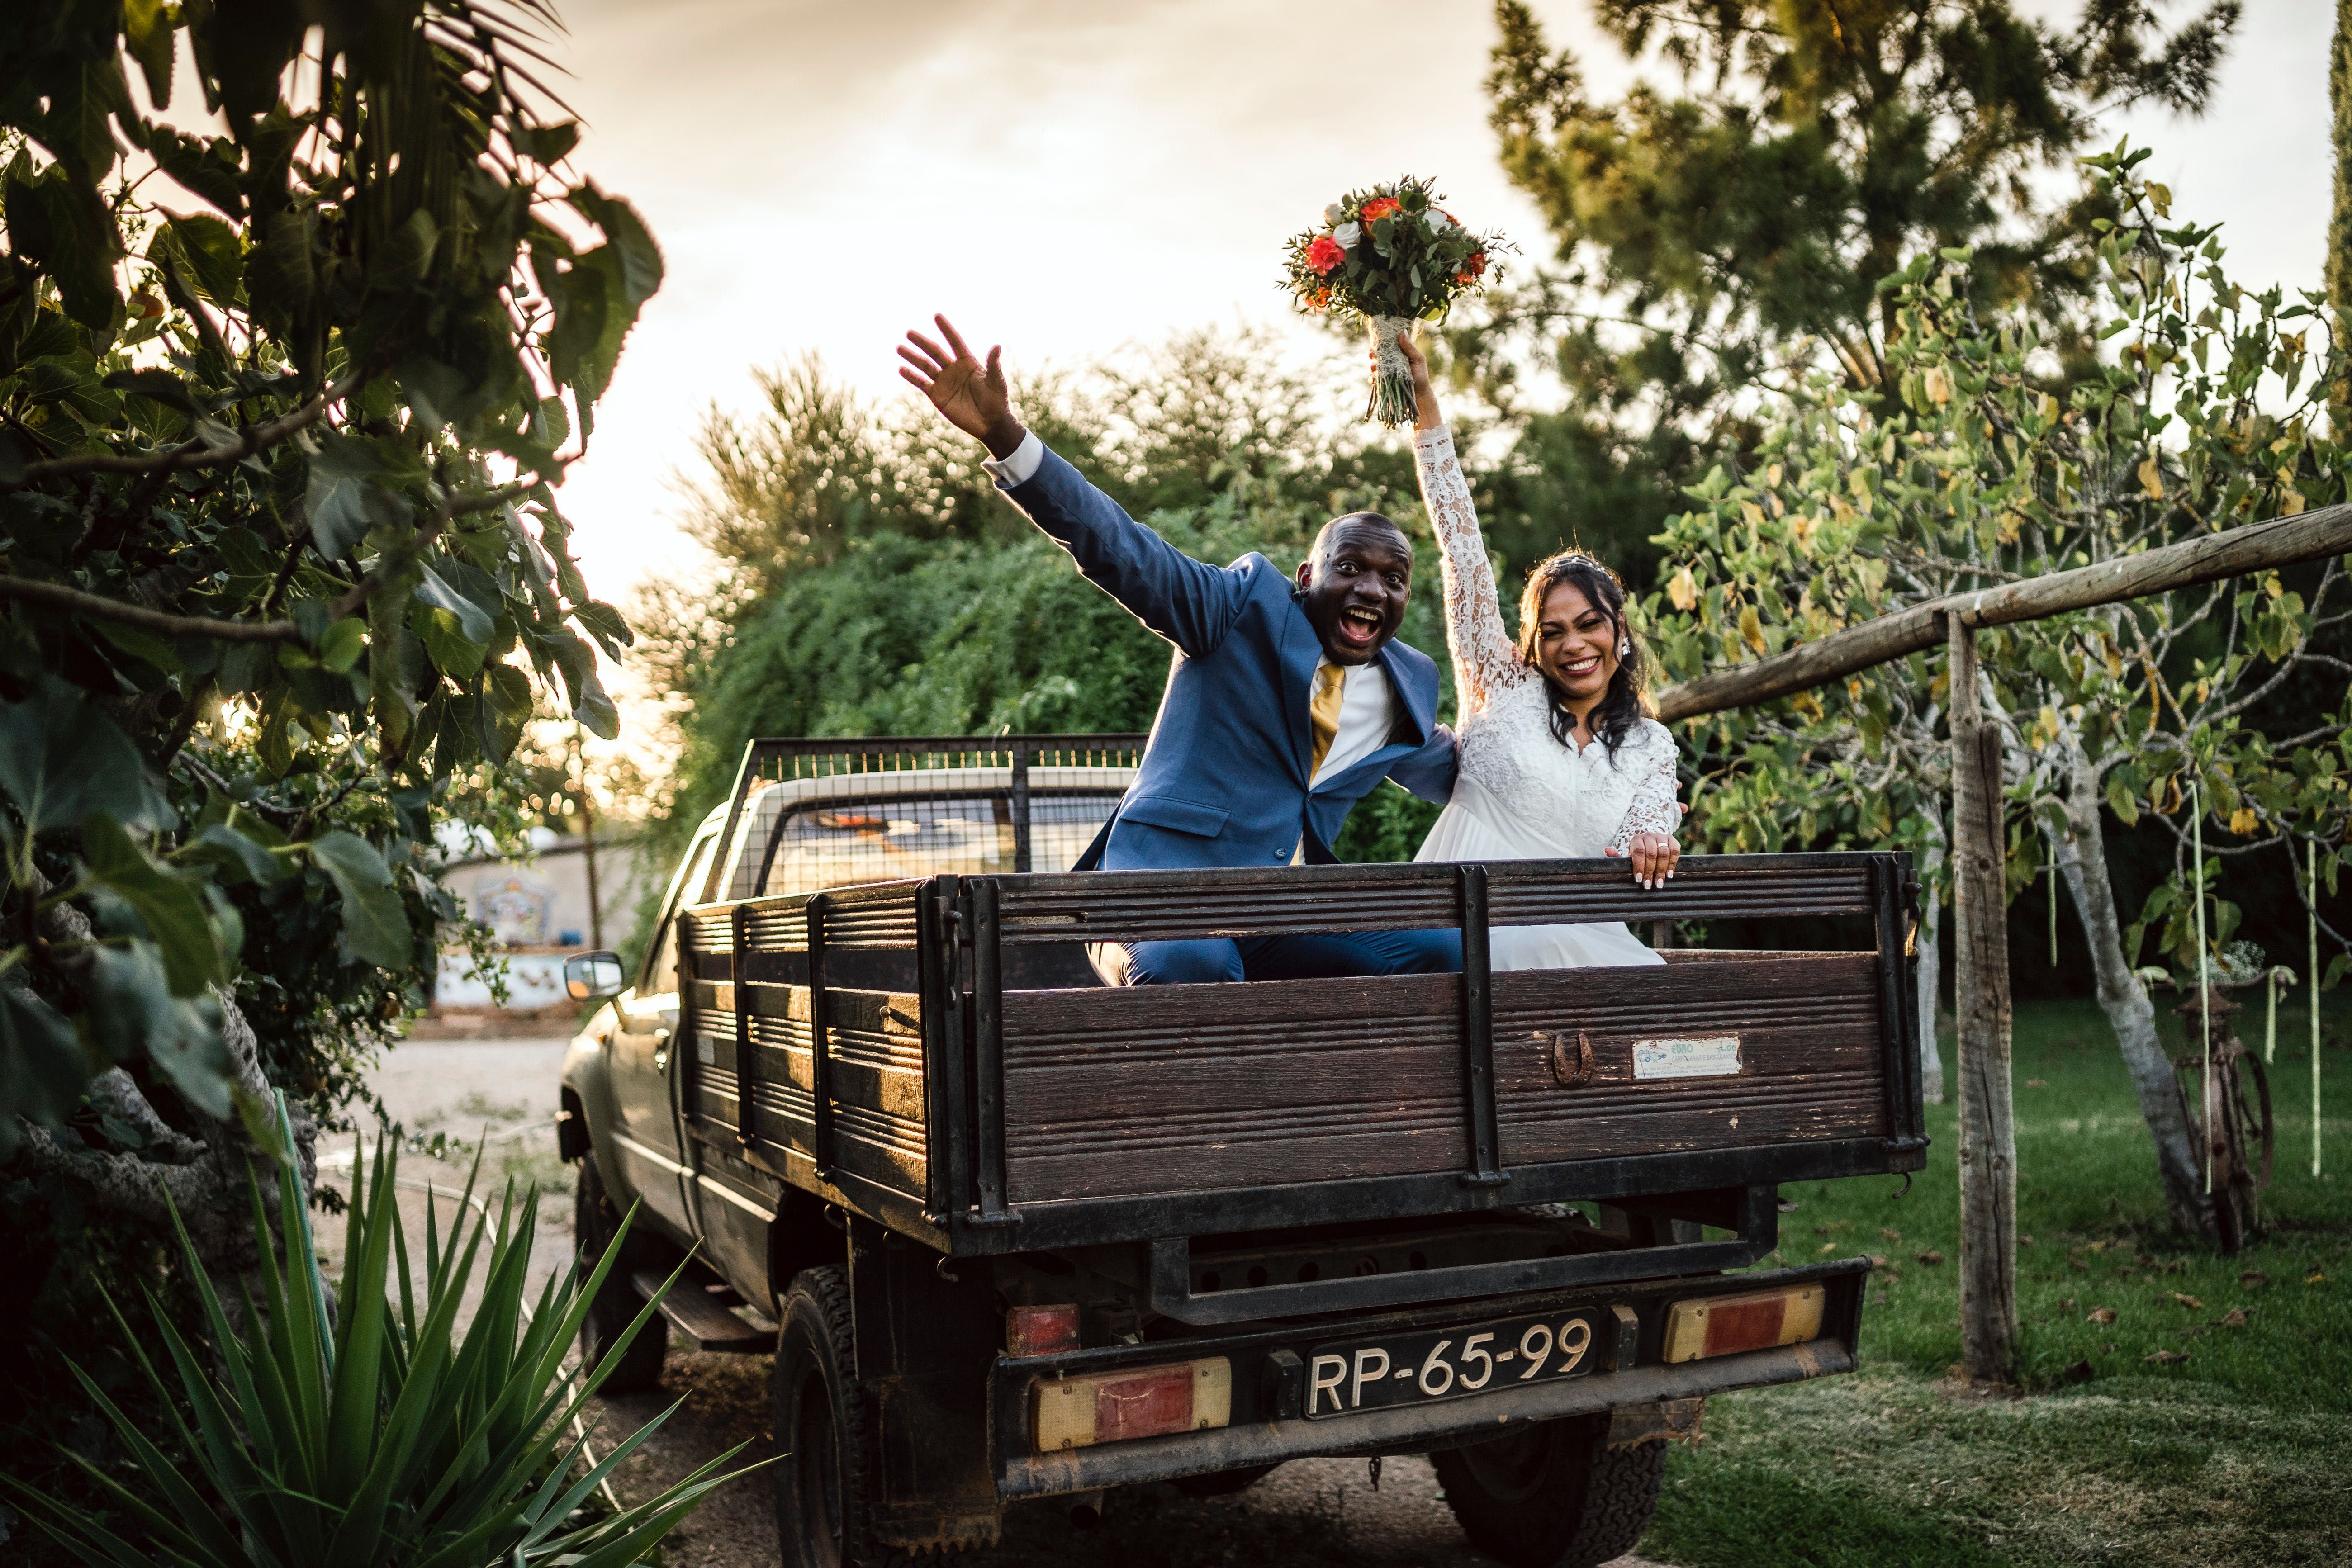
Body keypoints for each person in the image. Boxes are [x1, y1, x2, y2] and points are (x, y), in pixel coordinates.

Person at [897, 315, 1462, 985]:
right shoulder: (1239, 607)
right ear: (1307, 580)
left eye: (1393, 579)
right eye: (1351, 569)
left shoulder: (1409, 684)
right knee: (1195, 962)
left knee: (1445, 949)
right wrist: (1006, 437)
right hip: (1159, 894)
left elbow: (1475, 772)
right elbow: (1123, 550)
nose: (1372, 588)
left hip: (1281, 912)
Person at [1396, 332, 1683, 971]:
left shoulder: (1652, 748)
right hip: (1457, 935)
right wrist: (1426, 407)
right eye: (1552, 632)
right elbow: (1461, 547)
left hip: (1579, 944)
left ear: (1621, 631)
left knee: (1642, 980)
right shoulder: (1498, 683)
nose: (1574, 645)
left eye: (1589, 625)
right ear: (1532, 643)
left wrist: (1658, 839)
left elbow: (1653, 822)